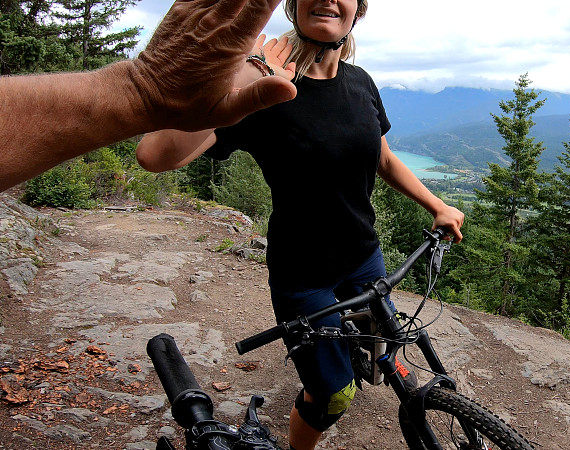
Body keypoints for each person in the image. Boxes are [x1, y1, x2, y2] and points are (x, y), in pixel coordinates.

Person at [135, 1, 465, 449]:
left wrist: (436, 204)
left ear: (357, 10)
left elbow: (382, 156)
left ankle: (337, 359)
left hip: (363, 255)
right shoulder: (266, 88)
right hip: (302, 272)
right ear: (292, 5)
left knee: (382, 349)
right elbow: (156, 155)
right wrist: (250, 75)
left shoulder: (360, 82)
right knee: (333, 394)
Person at [0, 0, 296, 192]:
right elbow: (154, 153)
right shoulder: (257, 82)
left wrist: (142, 88)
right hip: (298, 281)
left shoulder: (345, 86)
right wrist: (251, 71)